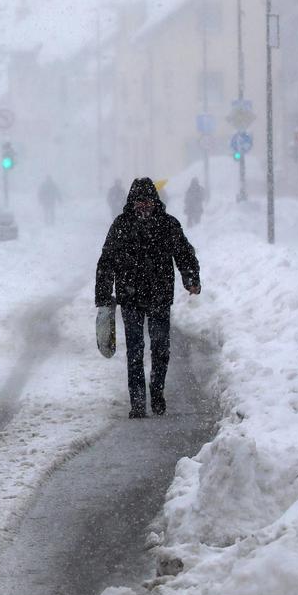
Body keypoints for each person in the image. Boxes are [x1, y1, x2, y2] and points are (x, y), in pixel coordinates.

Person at [94, 177, 201, 418]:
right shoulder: (121, 225)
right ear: (132, 203)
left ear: (155, 202)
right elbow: (106, 261)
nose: (143, 206)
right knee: (135, 350)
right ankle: (138, 401)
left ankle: (157, 390)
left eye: (148, 201)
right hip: (130, 298)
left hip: (160, 296)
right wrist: (103, 296)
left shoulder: (167, 225)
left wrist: (191, 279)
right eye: (139, 202)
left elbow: (184, 253)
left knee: (160, 348)